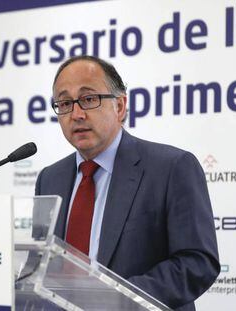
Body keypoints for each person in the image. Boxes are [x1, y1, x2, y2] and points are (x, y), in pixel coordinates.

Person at [35, 55, 220, 310]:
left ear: (120, 106)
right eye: (65, 103)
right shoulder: (49, 178)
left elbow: (198, 263)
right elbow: (41, 264)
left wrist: (117, 299)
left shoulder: (172, 168)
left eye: (88, 99)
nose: (76, 114)